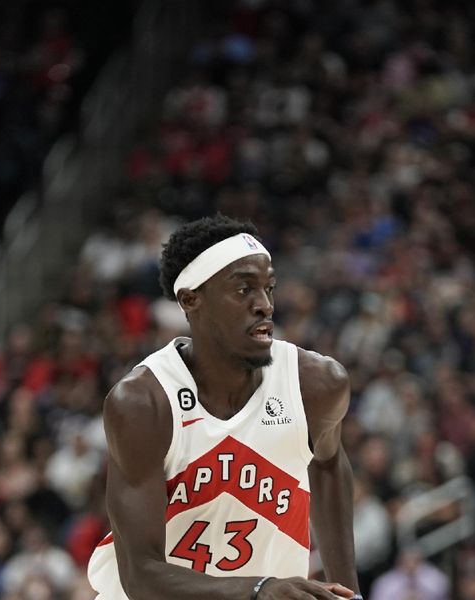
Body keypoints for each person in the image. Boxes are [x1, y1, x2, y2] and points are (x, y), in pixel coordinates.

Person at [87, 215, 362, 599]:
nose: (264, 305)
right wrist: (258, 591)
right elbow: (140, 576)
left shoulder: (316, 384)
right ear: (190, 299)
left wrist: (349, 590)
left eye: (269, 288)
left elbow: (328, 464)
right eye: (244, 290)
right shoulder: (144, 403)